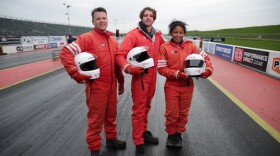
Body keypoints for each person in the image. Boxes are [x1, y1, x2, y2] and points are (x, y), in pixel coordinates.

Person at [60, 7, 126, 156]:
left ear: (107, 19)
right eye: (98, 18)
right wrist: (74, 73)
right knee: (95, 119)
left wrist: (121, 82)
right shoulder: (86, 38)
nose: (102, 21)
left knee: (111, 115)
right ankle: (94, 148)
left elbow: (116, 65)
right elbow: (66, 52)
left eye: (104, 18)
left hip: (111, 85)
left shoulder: (113, 40)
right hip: (96, 87)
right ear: (93, 21)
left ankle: (111, 139)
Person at [116, 7, 165, 155]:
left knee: (147, 107)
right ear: (141, 17)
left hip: (153, 77)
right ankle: (138, 141)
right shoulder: (133, 35)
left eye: (151, 16)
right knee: (138, 110)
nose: (148, 18)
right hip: (140, 77)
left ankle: (143, 131)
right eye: (145, 15)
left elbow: (168, 49)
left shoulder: (158, 35)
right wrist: (128, 69)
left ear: (154, 19)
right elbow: (120, 55)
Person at [157, 20, 213, 148]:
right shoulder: (164, 47)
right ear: (171, 32)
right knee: (172, 113)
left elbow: (206, 58)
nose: (178, 35)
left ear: (184, 33)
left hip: (188, 85)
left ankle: (178, 135)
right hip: (172, 85)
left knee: (183, 112)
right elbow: (161, 68)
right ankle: (171, 136)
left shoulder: (191, 46)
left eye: (181, 32)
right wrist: (177, 74)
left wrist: (208, 70)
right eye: (175, 32)